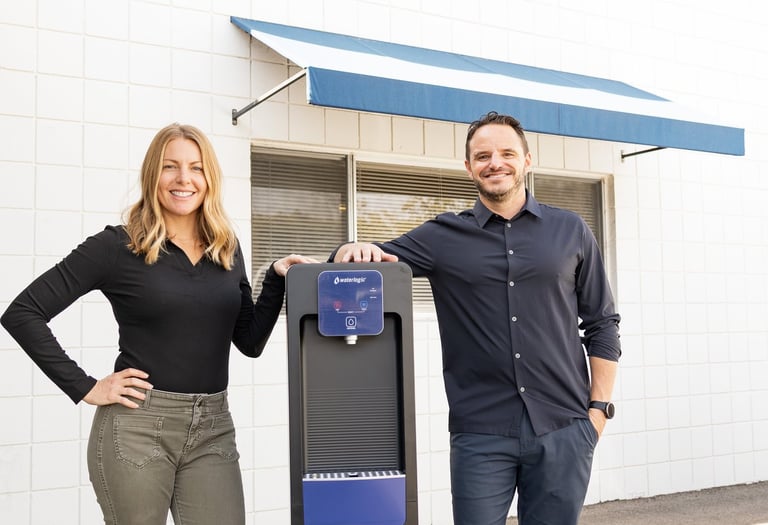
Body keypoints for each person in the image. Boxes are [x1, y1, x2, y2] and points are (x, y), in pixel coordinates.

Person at [1, 123, 317, 525]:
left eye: (196, 168)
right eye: (171, 166)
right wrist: (87, 387)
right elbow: (23, 312)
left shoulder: (226, 248)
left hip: (213, 427)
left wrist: (274, 279)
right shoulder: (116, 246)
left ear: (209, 178)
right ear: (153, 174)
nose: (184, 178)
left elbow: (249, 341)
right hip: (137, 426)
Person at [332, 111, 621, 525]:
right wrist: (349, 248)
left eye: (507, 153)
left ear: (527, 160)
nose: (495, 163)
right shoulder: (442, 237)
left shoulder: (571, 230)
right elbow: (370, 258)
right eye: (483, 156)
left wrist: (597, 413)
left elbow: (602, 324)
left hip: (564, 428)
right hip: (481, 434)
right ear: (469, 167)